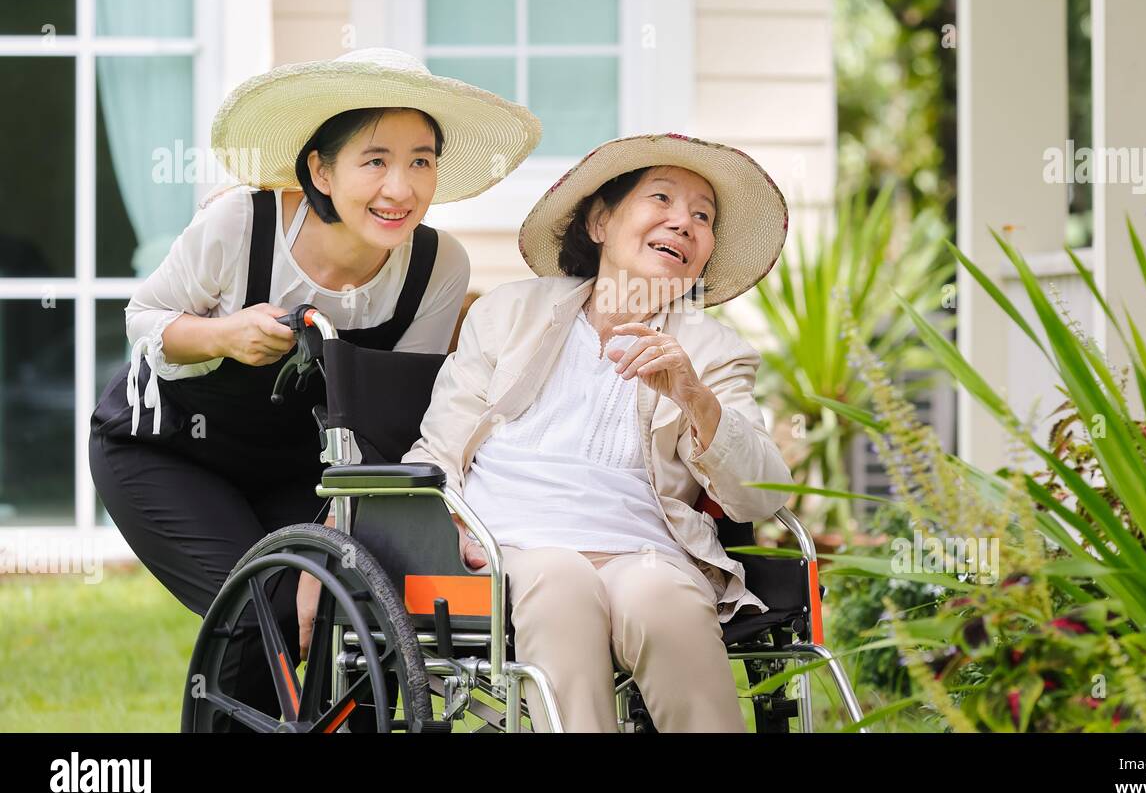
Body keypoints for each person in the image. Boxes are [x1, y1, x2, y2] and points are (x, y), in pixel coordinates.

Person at [88, 47, 540, 731]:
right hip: (167, 452)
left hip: (300, 470)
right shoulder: (244, 224)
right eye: (375, 160)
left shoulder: (436, 266)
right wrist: (225, 336)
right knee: (260, 610)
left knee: (358, 606)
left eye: (421, 160)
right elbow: (144, 320)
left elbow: (393, 420)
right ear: (320, 168)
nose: (401, 186)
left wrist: (326, 556)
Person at [400, 132, 795, 732]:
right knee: (560, 582)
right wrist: (449, 521)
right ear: (600, 221)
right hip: (509, 545)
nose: (683, 223)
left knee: (665, 599)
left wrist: (695, 399)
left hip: (641, 550)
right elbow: (442, 444)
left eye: (702, 216)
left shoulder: (714, 353)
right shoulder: (507, 313)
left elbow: (762, 497)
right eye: (660, 199)